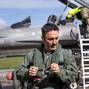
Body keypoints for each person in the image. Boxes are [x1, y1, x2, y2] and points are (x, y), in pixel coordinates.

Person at [16, 23, 78, 89]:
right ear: (42, 38)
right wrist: (28, 73)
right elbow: (18, 72)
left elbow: (75, 75)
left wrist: (60, 72)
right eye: (50, 39)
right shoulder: (32, 55)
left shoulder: (66, 54)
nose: (54, 42)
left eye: (56, 38)